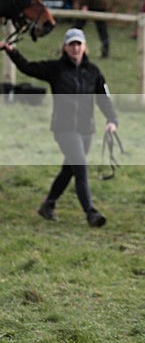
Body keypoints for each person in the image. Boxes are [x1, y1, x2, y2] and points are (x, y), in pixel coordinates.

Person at [0, 28, 117, 227]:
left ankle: (48, 204)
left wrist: (111, 120)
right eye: (71, 44)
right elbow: (28, 67)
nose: (75, 48)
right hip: (63, 129)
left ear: (84, 47)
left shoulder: (94, 72)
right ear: (64, 47)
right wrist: (11, 51)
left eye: (79, 44)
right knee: (80, 167)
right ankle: (91, 212)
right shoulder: (55, 69)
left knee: (69, 170)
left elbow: (103, 98)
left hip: (86, 129)